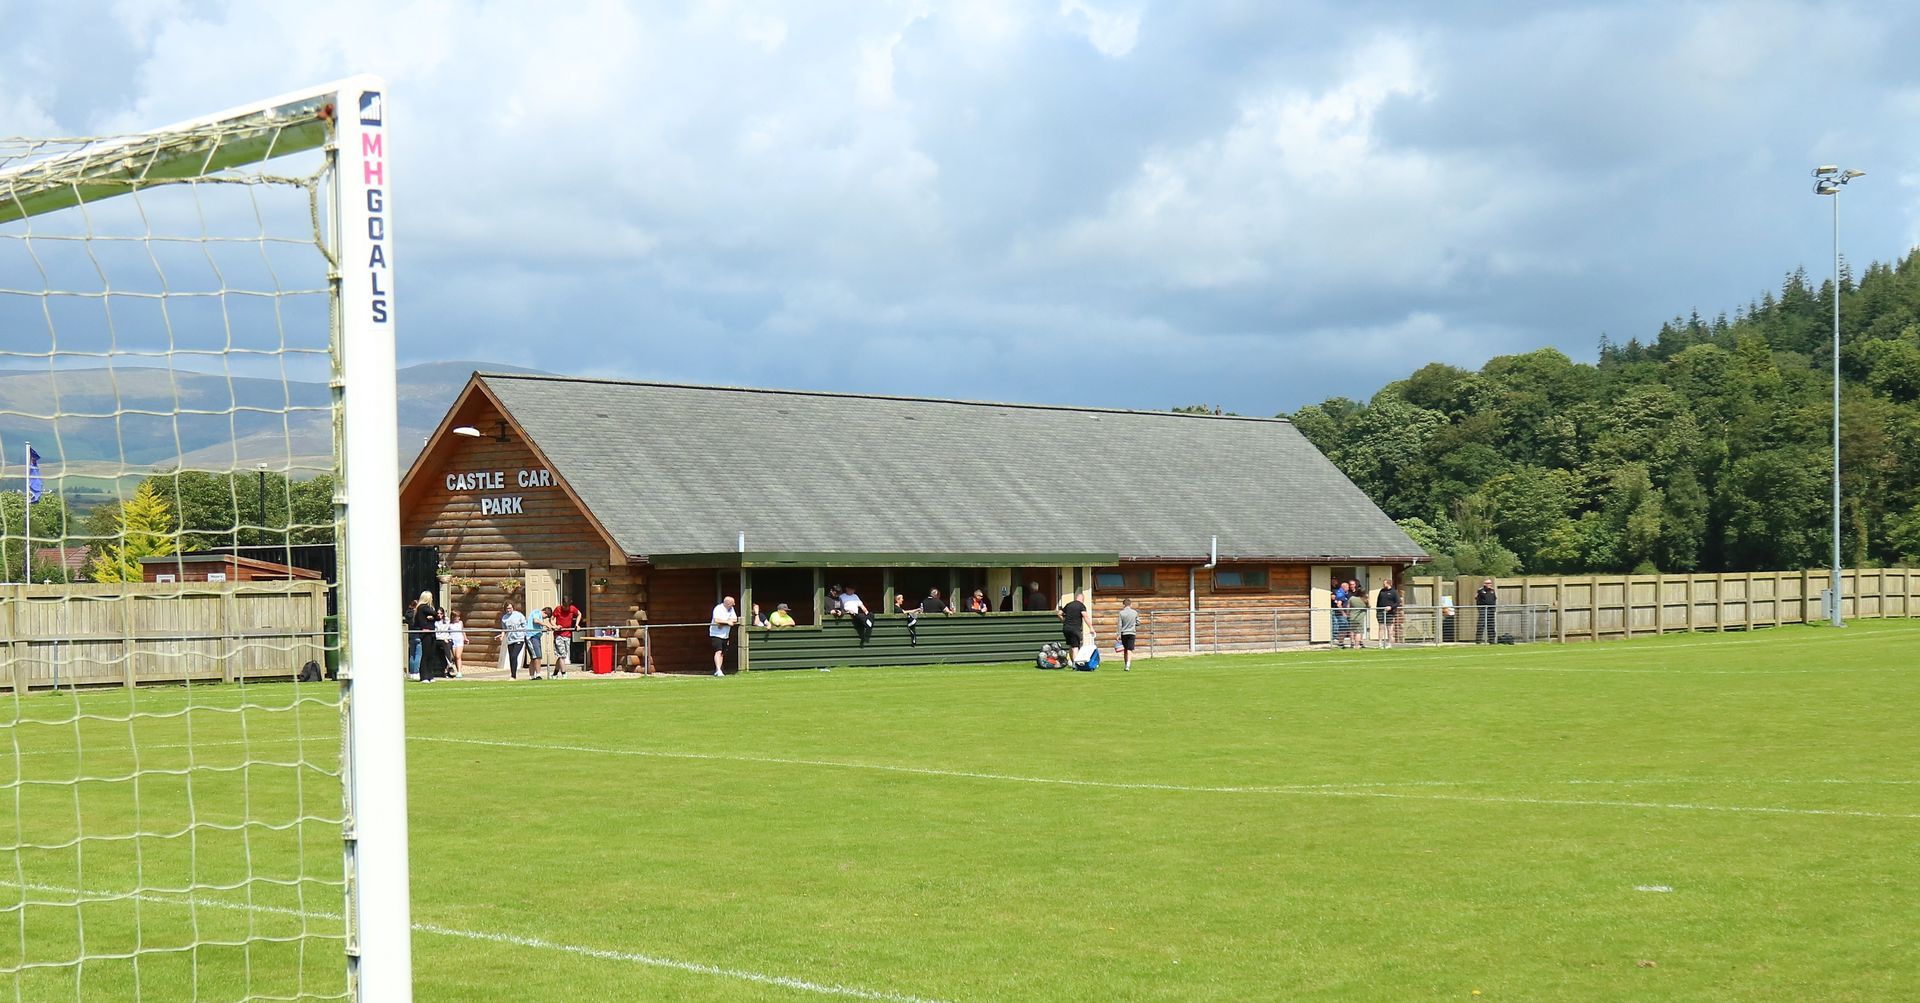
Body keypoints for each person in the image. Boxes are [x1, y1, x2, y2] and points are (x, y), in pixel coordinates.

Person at [412, 593, 446, 681]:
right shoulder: (422, 607)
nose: (432, 599)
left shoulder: (429, 608)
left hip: (432, 632)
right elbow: (435, 613)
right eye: (430, 597)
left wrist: (432, 617)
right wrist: (432, 616)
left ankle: (430, 675)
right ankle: (424, 676)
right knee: (426, 654)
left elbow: (438, 617)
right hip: (425, 633)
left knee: (431, 655)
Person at [709, 595, 739, 675]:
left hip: (725, 634)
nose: (733, 605)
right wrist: (727, 622)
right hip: (716, 634)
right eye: (732, 604)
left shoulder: (731, 609)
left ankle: (718, 670)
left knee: (722, 653)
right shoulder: (718, 609)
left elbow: (735, 619)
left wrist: (725, 622)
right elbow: (717, 620)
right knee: (718, 651)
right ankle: (718, 670)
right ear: (727, 603)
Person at [551, 596, 581, 675]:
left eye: (567, 607)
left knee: (563, 655)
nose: (566, 608)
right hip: (559, 635)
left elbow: (579, 614)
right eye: (564, 606)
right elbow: (551, 619)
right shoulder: (558, 609)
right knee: (562, 655)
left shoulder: (572, 609)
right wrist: (555, 626)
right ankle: (564, 674)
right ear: (562, 604)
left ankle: (554, 674)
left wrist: (577, 625)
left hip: (567, 635)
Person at [500, 603, 528, 679]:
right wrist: (502, 636)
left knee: (514, 656)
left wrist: (523, 633)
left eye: (510, 608)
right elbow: (504, 629)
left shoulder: (519, 615)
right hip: (510, 640)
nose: (509, 610)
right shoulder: (504, 618)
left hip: (519, 639)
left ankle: (513, 675)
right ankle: (512, 675)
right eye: (507, 609)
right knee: (511, 658)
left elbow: (525, 625)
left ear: (513, 608)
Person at [1376, 579, 1403, 648]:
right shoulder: (1382, 591)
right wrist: (1378, 610)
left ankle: (1389, 644)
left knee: (1389, 628)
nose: (1383, 585)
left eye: (1384, 583)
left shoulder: (1394, 592)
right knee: (1381, 628)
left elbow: (1398, 602)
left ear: (1389, 584)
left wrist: (1391, 607)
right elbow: (1378, 601)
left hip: (1390, 613)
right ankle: (1380, 643)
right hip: (1381, 612)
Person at [524, 606, 549, 678]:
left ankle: (532, 676)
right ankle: (538, 675)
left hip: (536, 637)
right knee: (537, 656)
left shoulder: (539, 616)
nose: (544, 619)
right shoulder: (537, 612)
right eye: (545, 617)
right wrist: (545, 624)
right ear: (544, 612)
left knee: (534, 657)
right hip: (531, 636)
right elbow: (535, 621)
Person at [1115, 597, 1139, 671]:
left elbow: (1119, 624)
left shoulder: (1121, 613)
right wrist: (1133, 624)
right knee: (1130, 649)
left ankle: (1125, 664)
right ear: (1130, 604)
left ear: (1124, 605)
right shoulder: (1135, 612)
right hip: (1131, 632)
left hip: (1124, 633)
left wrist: (1118, 634)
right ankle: (1128, 665)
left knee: (1125, 649)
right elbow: (1138, 622)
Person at [1346, 580, 1370, 648]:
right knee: (1358, 632)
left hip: (1352, 617)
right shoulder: (1365, 600)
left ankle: (1352, 643)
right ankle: (1357, 645)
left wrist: (1347, 614)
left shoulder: (1352, 598)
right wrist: (1367, 598)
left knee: (1352, 630)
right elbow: (1369, 606)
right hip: (1360, 618)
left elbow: (1348, 607)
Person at [1475, 578, 1498, 643]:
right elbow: (1476, 598)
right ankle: (1478, 640)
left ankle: (1492, 640)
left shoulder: (1492, 590)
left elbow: (1494, 599)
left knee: (1491, 625)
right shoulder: (1480, 590)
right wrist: (1479, 608)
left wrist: (1494, 608)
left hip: (1491, 610)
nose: (1489, 584)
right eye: (1487, 583)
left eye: (1490, 583)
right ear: (1484, 584)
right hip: (1483, 609)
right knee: (1481, 624)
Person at [1331, 579, 1352, 648]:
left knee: (1344, 627)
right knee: (1343, 627)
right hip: (1340, 614)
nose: (1348, 588)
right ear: (1344, 587)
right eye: (1347, 587)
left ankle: (1340, 642)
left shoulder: (1343, 593)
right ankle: (1340, 642)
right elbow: (1339, 605)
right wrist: (1343, 613)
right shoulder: (1340, 593)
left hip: (1342, 613)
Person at [446, 611, 467, 677]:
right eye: (456, 617)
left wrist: (465, 638)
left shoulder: (460, 623)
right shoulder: (449, 624)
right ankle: (457, 669)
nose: (458, 618)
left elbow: (463, 631)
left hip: (459, 640)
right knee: (455, 657)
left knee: (458, 656)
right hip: (452, 641)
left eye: (458, 617)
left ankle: (459, 672)